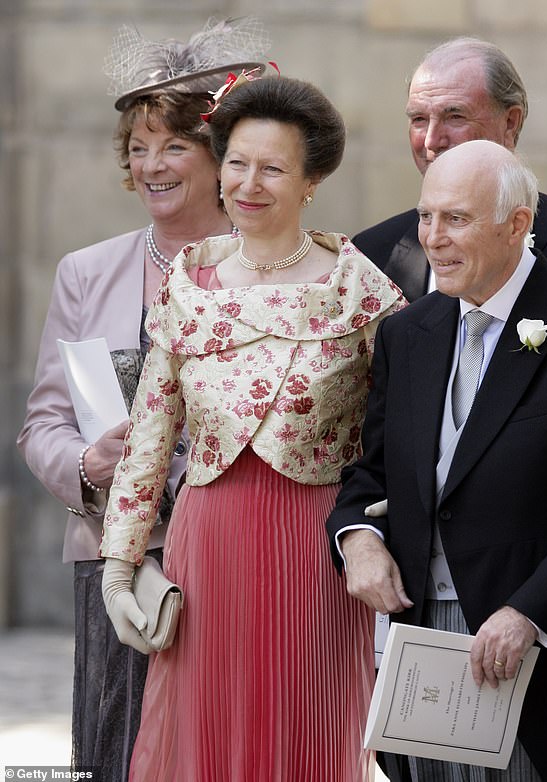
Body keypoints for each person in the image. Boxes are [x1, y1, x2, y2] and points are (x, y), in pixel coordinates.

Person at [99, 73, 406, 781]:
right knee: (203, 735)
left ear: (310, 182)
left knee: (311, 731)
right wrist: (121, 565)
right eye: (236, 163)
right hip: (207, 547)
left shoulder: (360, 289)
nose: (248, 183)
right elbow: (151, 431)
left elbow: (397, 433)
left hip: (316, 547)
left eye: (272, 168)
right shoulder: (188, 283)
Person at [16, 17, 271, 781]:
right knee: (117, 754)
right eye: (138, 148)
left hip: (236, 558)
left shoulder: (271, 268)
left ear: (219, 157)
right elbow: (42, 426)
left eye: (174, 146)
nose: (152, 165)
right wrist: (86, 464)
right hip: (117, 567)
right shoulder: (84, 273)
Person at [327, 140, 547, 782]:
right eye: (424, 217)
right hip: (420, 640)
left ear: (518, 224)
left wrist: (531, 613)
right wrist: (356, 538)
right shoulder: (409, 332)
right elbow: (372, 472)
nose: (431, 239)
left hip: (532, 646)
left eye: (456, 219)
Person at [353, 37, 547, 301]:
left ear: (510, 123)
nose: (431, 140)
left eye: (455, 116)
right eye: (419, 119)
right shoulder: (370, 255)